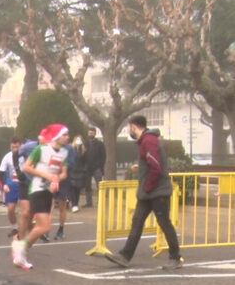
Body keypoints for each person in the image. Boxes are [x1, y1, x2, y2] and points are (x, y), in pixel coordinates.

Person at [105, 115, 183, 270]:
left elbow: (156, 167)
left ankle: (175, 257)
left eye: (129, 128)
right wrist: (140, 168)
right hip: (150, 192)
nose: (129, 131)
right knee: (138, 221)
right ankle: (125, 255)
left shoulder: (148, 141)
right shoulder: (148, 141)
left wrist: (147, 187)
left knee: (164, 223)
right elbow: (152, 163)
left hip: (156, 191)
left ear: (133, 126)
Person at [11, 124, 70, 270]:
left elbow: (64, 173)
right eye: (65, 135)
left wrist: (56, 179)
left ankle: (21, 250)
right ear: (56, 136)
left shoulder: (64, 153)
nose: (68, 137)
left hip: (48, 192)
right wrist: (47, 176)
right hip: (37, 189)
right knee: (45, 226)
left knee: (40, 225)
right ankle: (21, 249)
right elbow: (27, 167)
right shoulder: (41, 149)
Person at [0, 137, 23, 239]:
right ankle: (15, 227)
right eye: (13, 147)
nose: (15, 149)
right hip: (12, 184)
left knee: (26, 210)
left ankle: (30, 228)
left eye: (17, 147)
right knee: (11, 209)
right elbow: (1, 172)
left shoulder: (25, 155)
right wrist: (4, 184)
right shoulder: (7, 157)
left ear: (21, 146)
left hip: (24, 184)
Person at [83, 127, 106, 207]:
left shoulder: (100, 144)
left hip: (97, 168)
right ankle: (89, 202)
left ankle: (101, 201)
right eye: (89, 133)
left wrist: (101, 166)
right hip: (87, 168)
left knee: (99, 185)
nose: (91, 134)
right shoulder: (85, 144)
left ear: (95, 133)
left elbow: (103, 156)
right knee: (87, 186)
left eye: (92, 133)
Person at [69, 135, 86, 212]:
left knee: (78, 189)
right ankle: (73, 204)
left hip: (80, 172)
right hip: (72, 171)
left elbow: (85, 161)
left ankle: (76, 203)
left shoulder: (83, 150)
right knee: (72, 188)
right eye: (77, 139)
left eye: (80, 139)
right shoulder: (71, 149)